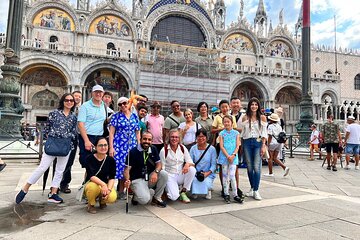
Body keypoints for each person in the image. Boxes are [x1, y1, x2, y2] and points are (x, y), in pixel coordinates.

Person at [15, 93, 77, 204]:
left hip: (65, 145)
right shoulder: (54, 113)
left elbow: (73, 131)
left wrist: (68, 137)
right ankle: (25, 188)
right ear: (62, 101)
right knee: (42, 167)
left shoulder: (73, 117)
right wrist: (52, 137)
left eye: (71, 101)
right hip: (52, 143)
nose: (69, 102)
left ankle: (53, 194)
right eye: (67, 100)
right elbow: (47, 128)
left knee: (60, 170)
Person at [124, 132, 168, 207]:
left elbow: (159, 164)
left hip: (149, 177)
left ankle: (157, 198)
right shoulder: (133, 152)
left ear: (151, 141)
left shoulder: (153, 149)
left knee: (163, 174)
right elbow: (126, 169)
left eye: (149, 140)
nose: (147, 141)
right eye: (144, 139)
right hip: (137, 179)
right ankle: (136, 196)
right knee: (145, 200)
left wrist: (156, 172)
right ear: (140, 139)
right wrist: (127, 180)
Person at [109, 97, 140, 198]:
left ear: (129, 103)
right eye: (120, 104)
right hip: (119, 145)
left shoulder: (135, 116)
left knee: (129, 167)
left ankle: (125, 190)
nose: (123, 105)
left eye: (125, 103)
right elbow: (111, 133)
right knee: (120, 167)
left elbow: (137, 132)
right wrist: (111, 147)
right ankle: (120, 191)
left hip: (132, 145)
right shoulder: (116, 116)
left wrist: (139, 145)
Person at [240, 97, 267, 200]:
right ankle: (252, 188)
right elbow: (243, 133)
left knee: (256, 167)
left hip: (258, 142)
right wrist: (241, 146)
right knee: (249, 167)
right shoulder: (244, 117)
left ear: (258, 106)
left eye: (256, 104)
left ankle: (256, 190)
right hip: (247, 142)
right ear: (249, 106)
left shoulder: (262, 118)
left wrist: (263, 145)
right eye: (252, 104)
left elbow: (264, 133)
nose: (254, 106)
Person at [160, 129, 196, 203]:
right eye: (172, 137)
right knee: (174, 197)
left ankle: (183, 191)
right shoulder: (164, 150)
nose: (174, 139)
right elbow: (162, 168)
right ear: (169, 138)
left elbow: (191, 162)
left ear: (179, 139)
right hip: (170, 176)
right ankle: (169, 190)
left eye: (176, 137)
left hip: (180, 174)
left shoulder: (182, 148)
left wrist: (187, 164)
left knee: (192, 170)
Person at [211, 100, 237, 196]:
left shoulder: (232, 117)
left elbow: (234, 129)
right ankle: (223, 187)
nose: (225, 108)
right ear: (220, 108)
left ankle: (233, 187)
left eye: (226, 106)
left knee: (233, 166)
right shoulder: (217, 117)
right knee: (223, 166)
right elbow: (213, 130)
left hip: (231, 144)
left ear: (229, 107)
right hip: (220, 143)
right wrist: (222, 129)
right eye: (222, 107)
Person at [84, 138, 117, 214]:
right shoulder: (89, 158)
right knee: (92, 188)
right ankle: (91, 204)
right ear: (95, 147)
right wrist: (103, 185)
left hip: (105, 185)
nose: (103, 147)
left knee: (112, 197)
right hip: (92, 183)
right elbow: (91, 176)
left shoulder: (111, 160)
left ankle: (102, 201)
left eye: (105, 145)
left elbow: (112, 177)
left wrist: (108, 189)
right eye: (100, 145)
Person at [78, 85, 107, 168]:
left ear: (103, 93)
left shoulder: (104, 106)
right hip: (87, 136)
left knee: (98, 162)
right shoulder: (85, 106)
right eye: (96, 92)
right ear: (92, 93)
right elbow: (80, 124)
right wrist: (86, 141)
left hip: (99, 137)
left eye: (100, 92)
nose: (98, 94)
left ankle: (92, 180)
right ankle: (88, 180)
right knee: (87, 161)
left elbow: (105, 120)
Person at [60, 90, 82, 193]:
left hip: (75, 138)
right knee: (59, 161)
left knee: (69, 162)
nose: (77, 98)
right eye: (75, 96)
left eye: (79, 97)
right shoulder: (63, 110)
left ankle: (65, 183)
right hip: (63, 139)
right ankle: (55, 183)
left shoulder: (82, 109)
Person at [218, 115, 243, 204]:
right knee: (225, 176)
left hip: (233, 157)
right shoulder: (221, 134)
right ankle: (226, 193)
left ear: (232, 123)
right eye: (224, 121)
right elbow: (221, 146)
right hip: (224, 157)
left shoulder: (236, 133)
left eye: (228, 121)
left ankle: (235, 194)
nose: (226, 123)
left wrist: (233, 155)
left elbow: (237, 145)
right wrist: (227, 156)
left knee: (232, 175)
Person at [189, 129, 217, 199]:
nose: (201, 138)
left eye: (203, 136)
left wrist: (207, 173)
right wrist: (195, 172)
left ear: (206, 138)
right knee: (193, 181)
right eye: (199, 136)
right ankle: (195, 191)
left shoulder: (212, 149)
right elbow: (190, 162)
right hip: (196, 173)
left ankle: (208, 190)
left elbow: (214, 164)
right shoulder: (193, 148)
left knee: (206, 182)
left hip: (208, 173)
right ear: (196, 138)